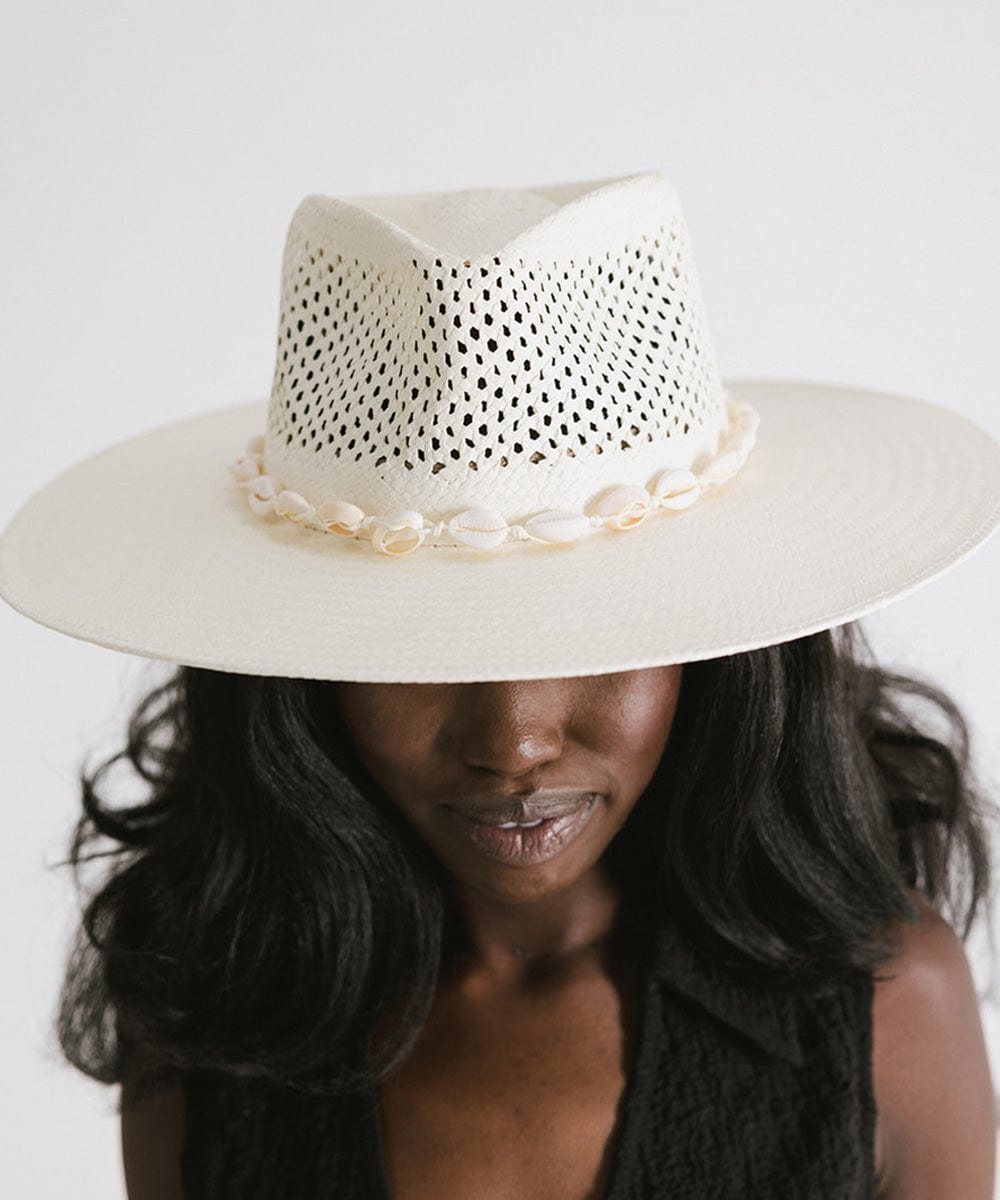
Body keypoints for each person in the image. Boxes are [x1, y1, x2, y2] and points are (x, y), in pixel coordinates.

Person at [1, 170, 998, 1198]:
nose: (512, 741)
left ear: (724, 651)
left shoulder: (886, 1010)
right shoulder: (211, 1006)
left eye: (596, 639)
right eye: (418, 653)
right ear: (295, 674)